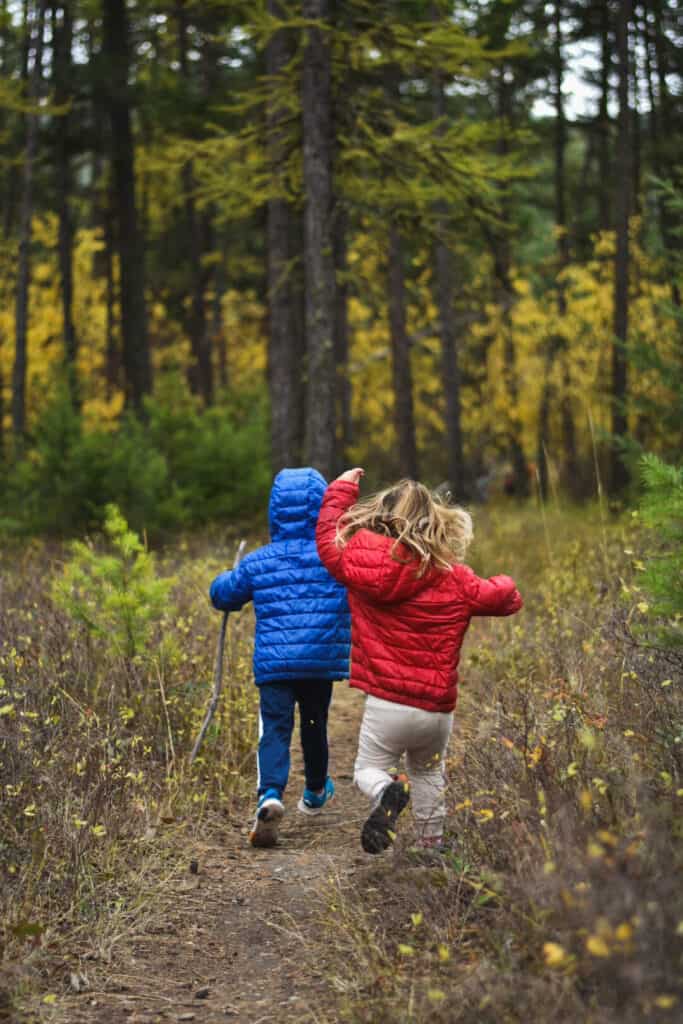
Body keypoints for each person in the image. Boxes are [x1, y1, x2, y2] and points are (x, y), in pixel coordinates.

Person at [315, 467, 522, 855]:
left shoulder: (358, 568)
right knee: (429, 773)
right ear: (436, 523)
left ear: (380, 517)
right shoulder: (455, 578)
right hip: (436, 711)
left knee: (367, 770)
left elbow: (327, 541)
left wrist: (341, 489)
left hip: (387, 704)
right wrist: (508, 586)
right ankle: (431, 848)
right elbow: (504, 598)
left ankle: (386, 792)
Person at [210, 467, 350, 848]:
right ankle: (317, 789)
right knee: (313, 722)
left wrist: (225, 576)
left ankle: (269, 793)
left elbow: (225, 595)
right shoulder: (335, 558)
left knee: (274, 728)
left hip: (275, 669)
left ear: (274, 512)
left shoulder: (260, 561)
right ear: (323, 510)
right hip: (318, 663)